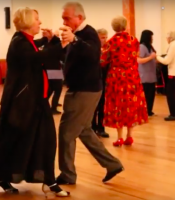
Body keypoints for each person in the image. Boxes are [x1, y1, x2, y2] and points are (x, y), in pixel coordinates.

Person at [0, 8, 70, 198]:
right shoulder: (19, 43)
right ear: (29, 22)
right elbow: (40, 56)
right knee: (12, 142)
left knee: (44, 142)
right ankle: (3, 176)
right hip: (22, 106)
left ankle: (49, 181)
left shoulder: (24, 41)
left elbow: (36, 46)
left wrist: (48, 40)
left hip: (35, 102)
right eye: (37, 19)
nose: (40, 22)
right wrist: (57, 43)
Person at [56, 2, 123, 185]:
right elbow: (68, 60)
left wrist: (74, 41)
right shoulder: (75, 36)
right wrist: (56, 42)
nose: (64, 21)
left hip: (84, 90)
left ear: (79, 17)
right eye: (63, 17)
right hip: (80, 88)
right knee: (84, 130)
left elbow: (93, 53)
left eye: (67, 17)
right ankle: (112, 164)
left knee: (66, 133)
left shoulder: (88, 33)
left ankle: (67, 175)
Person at [100, 16, 148, 147]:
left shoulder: (111, 41)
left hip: (116, 77)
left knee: (117, 105)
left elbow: (103, 61)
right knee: (130, 105)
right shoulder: (134, 40)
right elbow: (135, 56)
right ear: (125, 26)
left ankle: (119, 137)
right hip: (132, 77)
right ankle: (129, 136)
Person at [157, 31, 175, 121]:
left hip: (173, 73)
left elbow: (166, 61)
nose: (166, 39)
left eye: (167, 37)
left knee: (170, 95)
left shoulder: (173, 45)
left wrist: (156, 57)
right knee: (172, 94)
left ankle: (174, 114)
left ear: (170, 38)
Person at [92, 28, 110, 138]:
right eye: (102, 37)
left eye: (105, 37)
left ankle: (101, 127)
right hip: (94, 79)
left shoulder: (107, 49)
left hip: (104, 79)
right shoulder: (93, 48)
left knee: (103, 105)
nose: (104, 40)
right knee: (94, 106)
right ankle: (93, 127)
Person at [137, 30, 157, 117]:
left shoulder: (150, 47)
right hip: (144, 75)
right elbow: (139, 60)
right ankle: (143, 111)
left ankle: (149, 110)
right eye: (151, 37)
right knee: (145, 94)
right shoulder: (141, 46)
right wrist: (151, 57)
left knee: (151, 94)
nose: (152, 39)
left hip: (151, 75)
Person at [46, 30, 64, 114]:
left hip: (51, 69)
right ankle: (53, 108)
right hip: (54, 69)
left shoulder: (48, 45)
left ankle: (50, 104)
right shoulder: (54, 46)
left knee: (52, 88)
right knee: (58, 88)